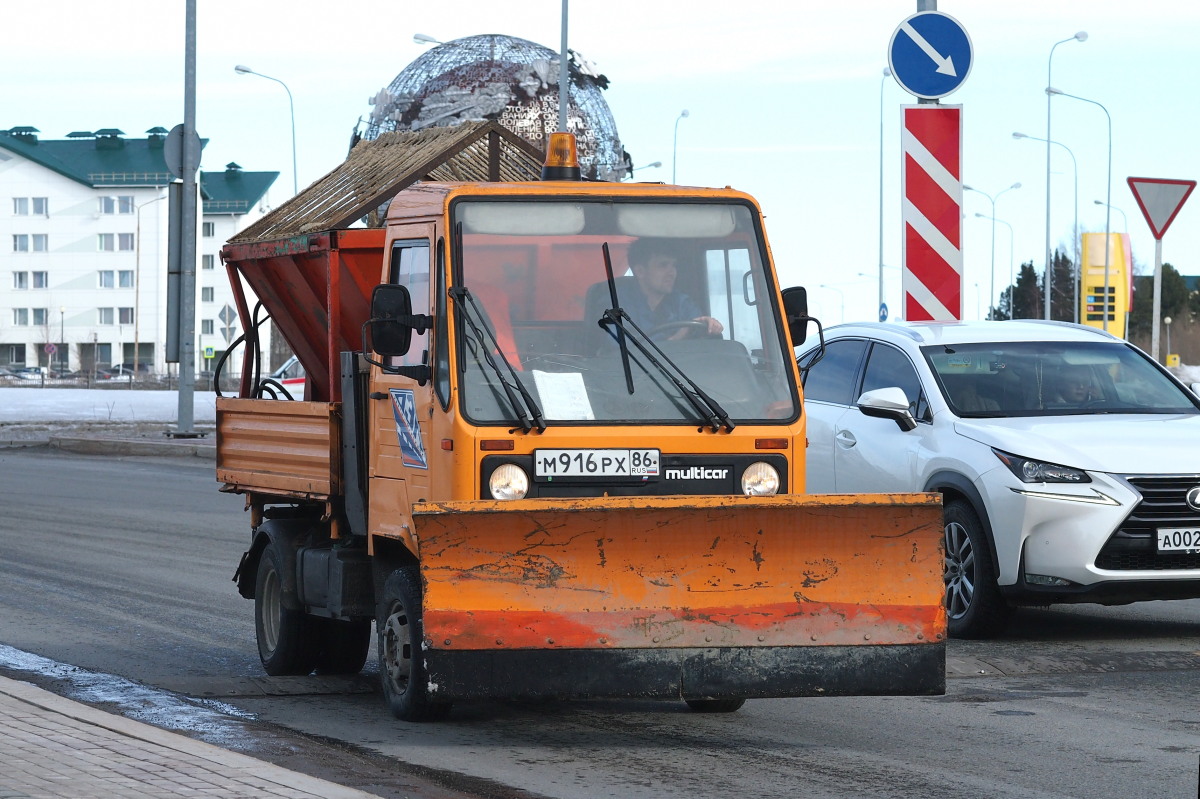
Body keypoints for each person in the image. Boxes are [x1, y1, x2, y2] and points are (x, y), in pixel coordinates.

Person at [622, 238, 723, 338]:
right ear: (640, 271)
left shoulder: (682, 303)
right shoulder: (617, 307)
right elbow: (621, 350)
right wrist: (680, 335)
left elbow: (699, 332)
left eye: (673, 265)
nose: (672, 272)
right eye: (663, 265)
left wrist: (709, 325)